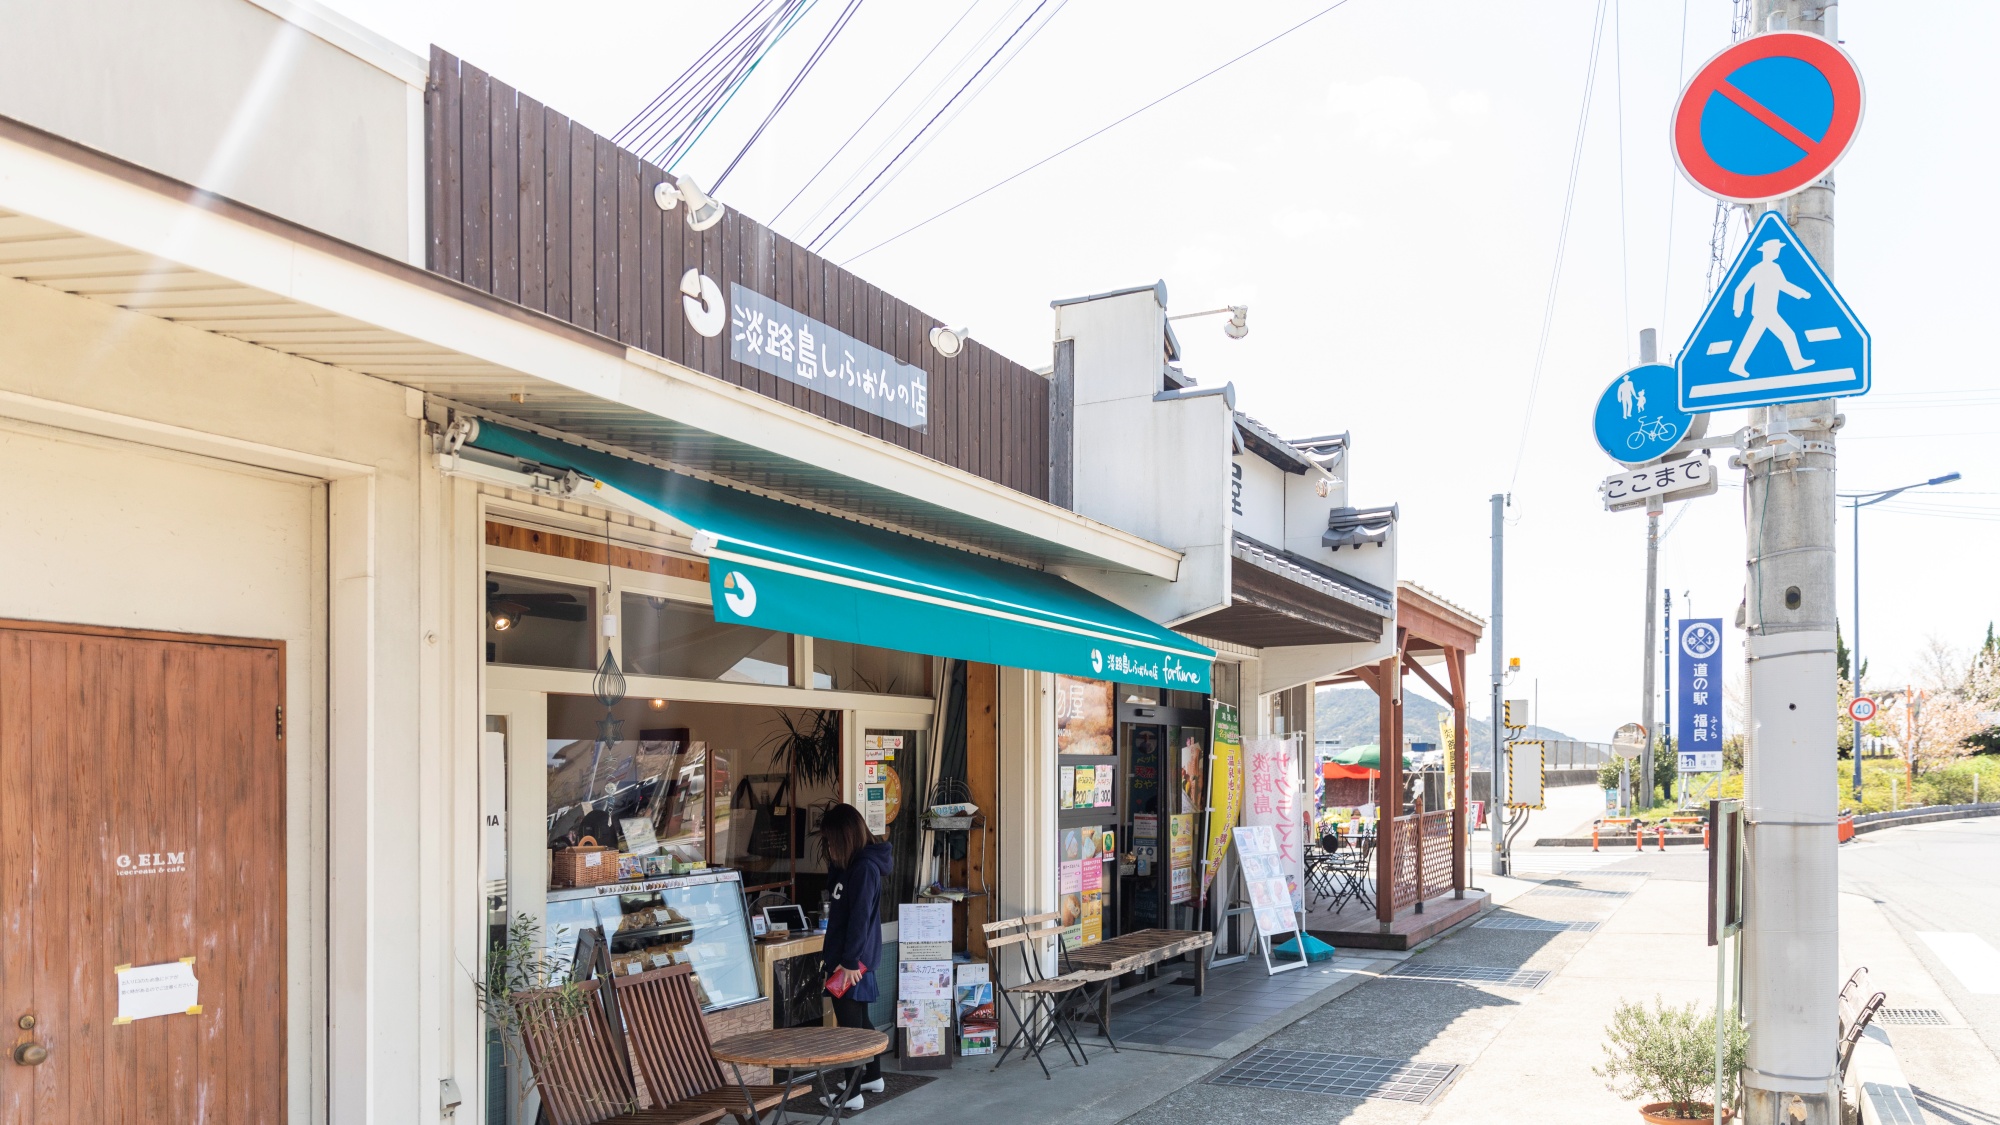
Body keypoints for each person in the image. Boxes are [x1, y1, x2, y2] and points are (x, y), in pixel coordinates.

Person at [818, 803, 891, 1111]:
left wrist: (848, 962)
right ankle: (871, 1076)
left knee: (849, 1030)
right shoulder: (851, 865)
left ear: (844, 837)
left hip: (850, 963)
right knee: (860, 1022)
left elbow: (860, 917)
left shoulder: (863, 869)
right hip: (851, 958)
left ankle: (852, 1093)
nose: (828, 846)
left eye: (832, 840)